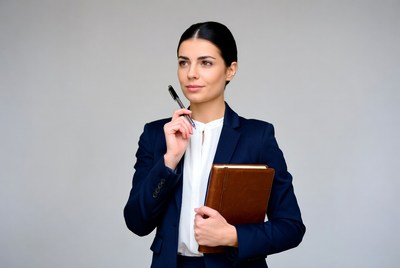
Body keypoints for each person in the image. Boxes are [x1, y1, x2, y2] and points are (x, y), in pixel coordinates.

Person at [124, 21, 305, 268]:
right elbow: (136, 222)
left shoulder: (258, 137)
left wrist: (232, 236)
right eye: (183, 62)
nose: (191, 73)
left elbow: (291, 226)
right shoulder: (156, 135)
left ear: (230, 70)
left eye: (205, 63)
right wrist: (169, 162)